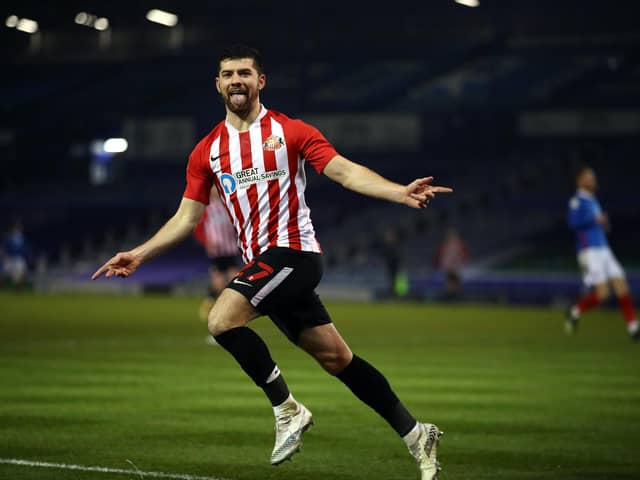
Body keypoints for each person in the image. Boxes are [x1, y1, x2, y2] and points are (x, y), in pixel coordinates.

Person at [92, 45, 453, 479]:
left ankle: (287, 411)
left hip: (294, 252)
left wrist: (398, 191)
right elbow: (187, 217)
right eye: (227, 74)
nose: (236, 80)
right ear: (218, 84)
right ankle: (417, 434)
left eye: (244, 72)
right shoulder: (207, 151)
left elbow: (342, 170)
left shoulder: (291, 131)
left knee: (222, 320)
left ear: (261, 81)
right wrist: (139, 254)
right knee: (338, 359)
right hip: (264, 266)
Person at [566, 165, 639, 341]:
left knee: (622, 284)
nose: (593, 179)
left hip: (604, 248)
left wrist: (603, 224)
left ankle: (633, 327)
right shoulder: (577, 201)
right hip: (590, 250)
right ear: (580, 180)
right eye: (589, 177)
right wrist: (594, 220)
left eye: (593, 176)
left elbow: (595, 223)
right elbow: (573, 223)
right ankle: (575, 310)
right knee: (603, 294)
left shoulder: (592, 200)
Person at [194, 187, 242, 321]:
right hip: (217, 251)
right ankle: (210, 304)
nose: (217, 192)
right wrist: (207, 241)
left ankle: (230, 308)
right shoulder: (206, 209)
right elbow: (197, 229)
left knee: (234, 278)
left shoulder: (229, 206)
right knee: (219, 283)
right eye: (214, 190)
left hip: (231, 249)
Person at [434, 227, 468, 300]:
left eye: (451, 235)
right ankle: (451, 296)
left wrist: (458, 264)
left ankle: (454, 296)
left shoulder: (458, 245)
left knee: (453, 283)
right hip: (448, 268)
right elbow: (439, 255)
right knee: (450, 282)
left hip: (455, 268)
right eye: (449, 236)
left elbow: (464, 256)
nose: (449, 237)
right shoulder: (446, 245)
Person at [2, 220, 30, 288]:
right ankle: (2, 287)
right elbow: (4, 248)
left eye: (18, 228)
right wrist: (4, 256)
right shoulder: (9, 237)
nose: (17, 229)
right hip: (9, 258)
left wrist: (27, 257)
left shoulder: (22, 238)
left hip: (18, 258)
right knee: (3, 273)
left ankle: (18, 289)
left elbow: (25, 249)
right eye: (16, 228)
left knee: (22, 273)